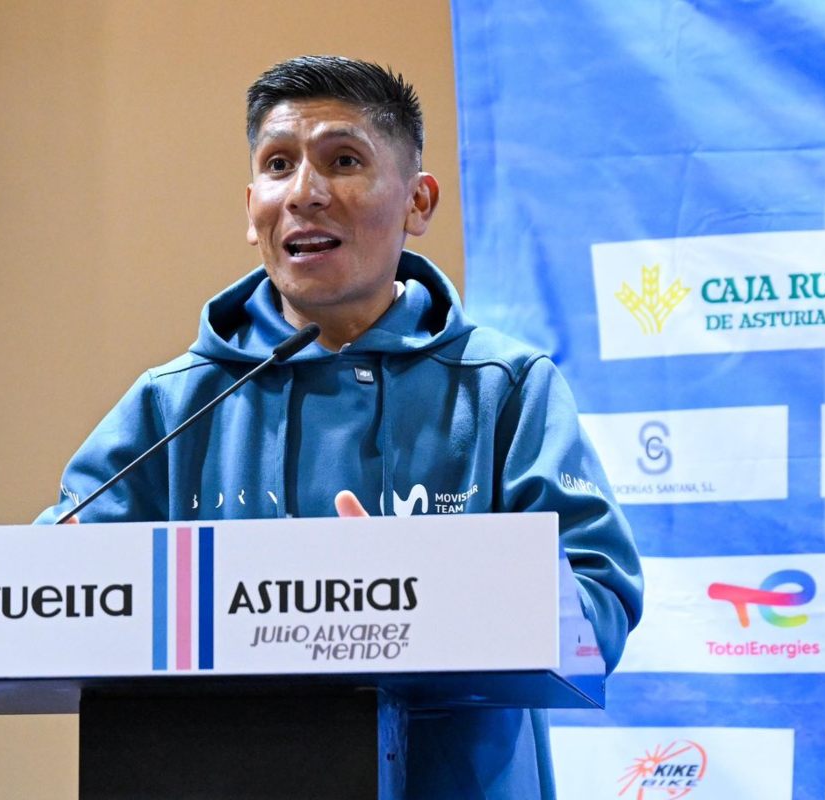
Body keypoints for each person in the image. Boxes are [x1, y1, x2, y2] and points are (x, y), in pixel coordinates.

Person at [38, 54, 642, 799]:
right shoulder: (173, 403)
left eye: (344, 161)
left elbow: (597, 614)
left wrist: (428, 590)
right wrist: (54, 577)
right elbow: (53, 585)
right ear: (251, 206)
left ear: (418, 202)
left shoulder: (506, 387)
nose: (305, 193)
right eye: (278, 165)